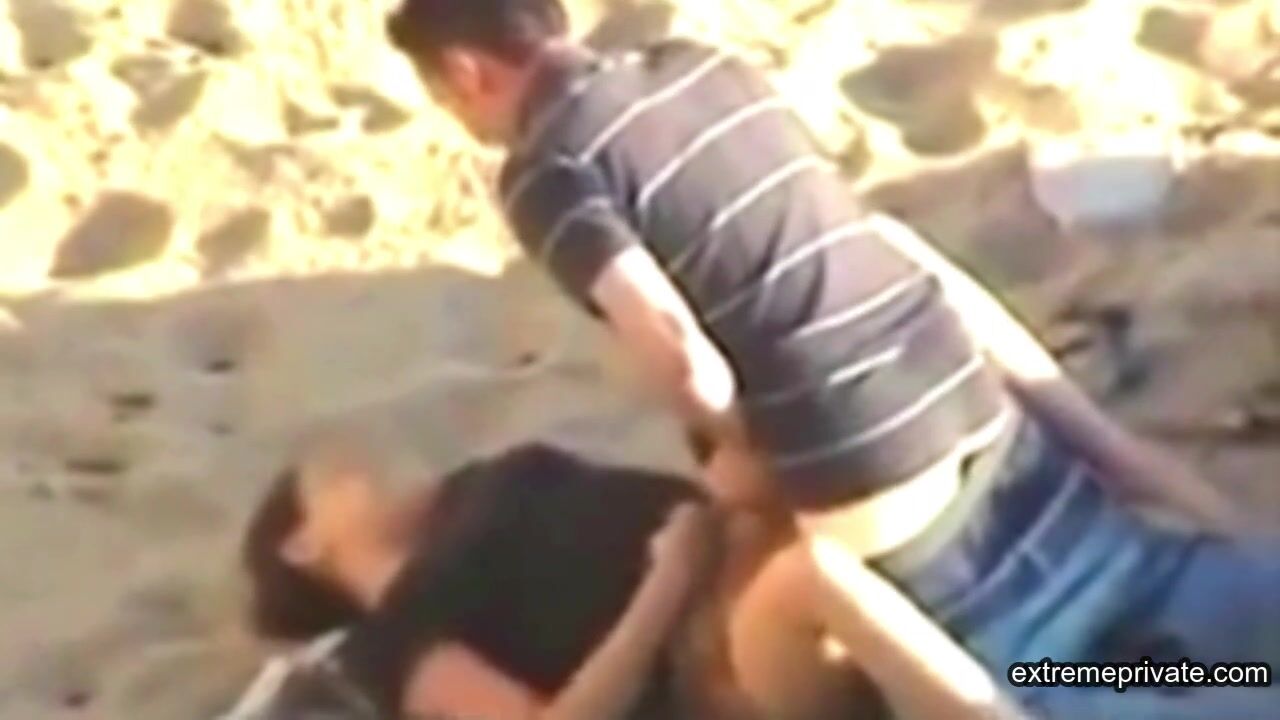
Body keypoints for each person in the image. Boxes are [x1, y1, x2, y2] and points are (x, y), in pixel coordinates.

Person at [380, 1, 1280, 718]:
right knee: (1183, 639)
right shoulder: (703, 67)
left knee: (1041, 650)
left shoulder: (548, 170)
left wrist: (749, 441)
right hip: (962, 387)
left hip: (869, 463)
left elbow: (680, 351)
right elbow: (852, 236)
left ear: (467, 72)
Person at [241, 441, 805, 719]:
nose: (363, 462)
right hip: (701, 643)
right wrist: (671, 577)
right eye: (336, 477)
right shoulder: (391, 639)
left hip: (737, 529)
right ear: (301, 546)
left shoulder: (468, 489)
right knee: (804, 578)